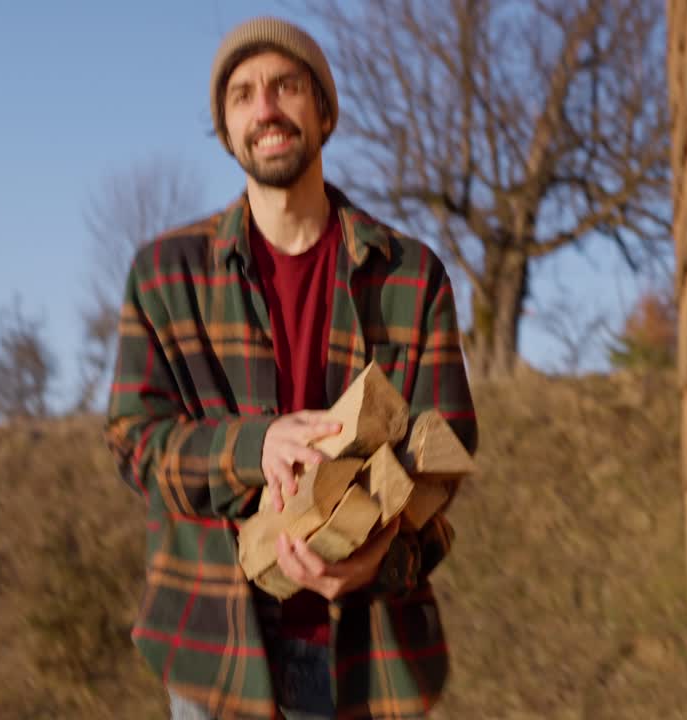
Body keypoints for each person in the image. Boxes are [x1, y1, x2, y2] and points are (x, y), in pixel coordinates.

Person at [104, 16, 477, 720]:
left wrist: (382, 557)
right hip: (217, 655)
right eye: (242, 95)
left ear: (325, 111)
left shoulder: (410, 274)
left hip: (369, 658)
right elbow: (134, 440)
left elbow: (446, 455)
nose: (265, 108)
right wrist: (253, 445)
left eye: (287, 86)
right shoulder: (163, 276)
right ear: (225, 128)